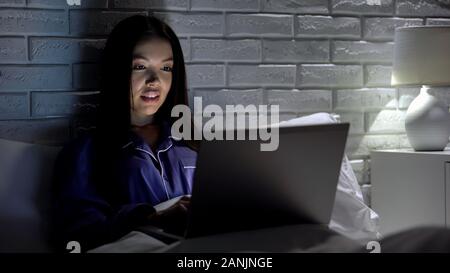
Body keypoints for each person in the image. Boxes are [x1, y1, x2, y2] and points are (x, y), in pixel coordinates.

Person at [50, 15, 196, 251]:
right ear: (117, 70)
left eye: (166, 68)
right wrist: (151, 218)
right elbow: (75, 235)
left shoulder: (193, 143)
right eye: (140, 66)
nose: (155, 81)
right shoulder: (86, 152)